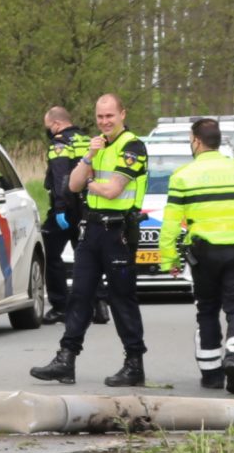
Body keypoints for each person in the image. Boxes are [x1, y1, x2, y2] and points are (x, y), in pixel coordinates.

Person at [29, 92, 148, 388]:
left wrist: (90, 182)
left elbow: (112, 191)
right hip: (92, 230)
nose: (104, 121)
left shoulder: (132, 146)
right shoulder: (98, 145)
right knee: (80, 295)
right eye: (100, 116)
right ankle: (65, 360)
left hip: (118, 233)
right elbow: (71, 184)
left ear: (123, 114)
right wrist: (88, 156)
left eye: (110, 116)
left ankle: (134, 363)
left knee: (122, 299)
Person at [155, 117, 234, 395]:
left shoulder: (183, 176)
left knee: (206, 309)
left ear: (196, 141)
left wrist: (169, 260)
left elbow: (170, 224)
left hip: (203, 255)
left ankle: (211, 375)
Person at [40, 106, 92, 311]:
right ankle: (98, 304)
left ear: (57, 123)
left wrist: (60, 207)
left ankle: (60, 305)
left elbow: (62, 176)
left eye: (48, 127)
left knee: (49, 254)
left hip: (66, 208)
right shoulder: (87, 140)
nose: (49, 131)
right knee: (88, 257)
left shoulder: (59, 143)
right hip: (87, 207)